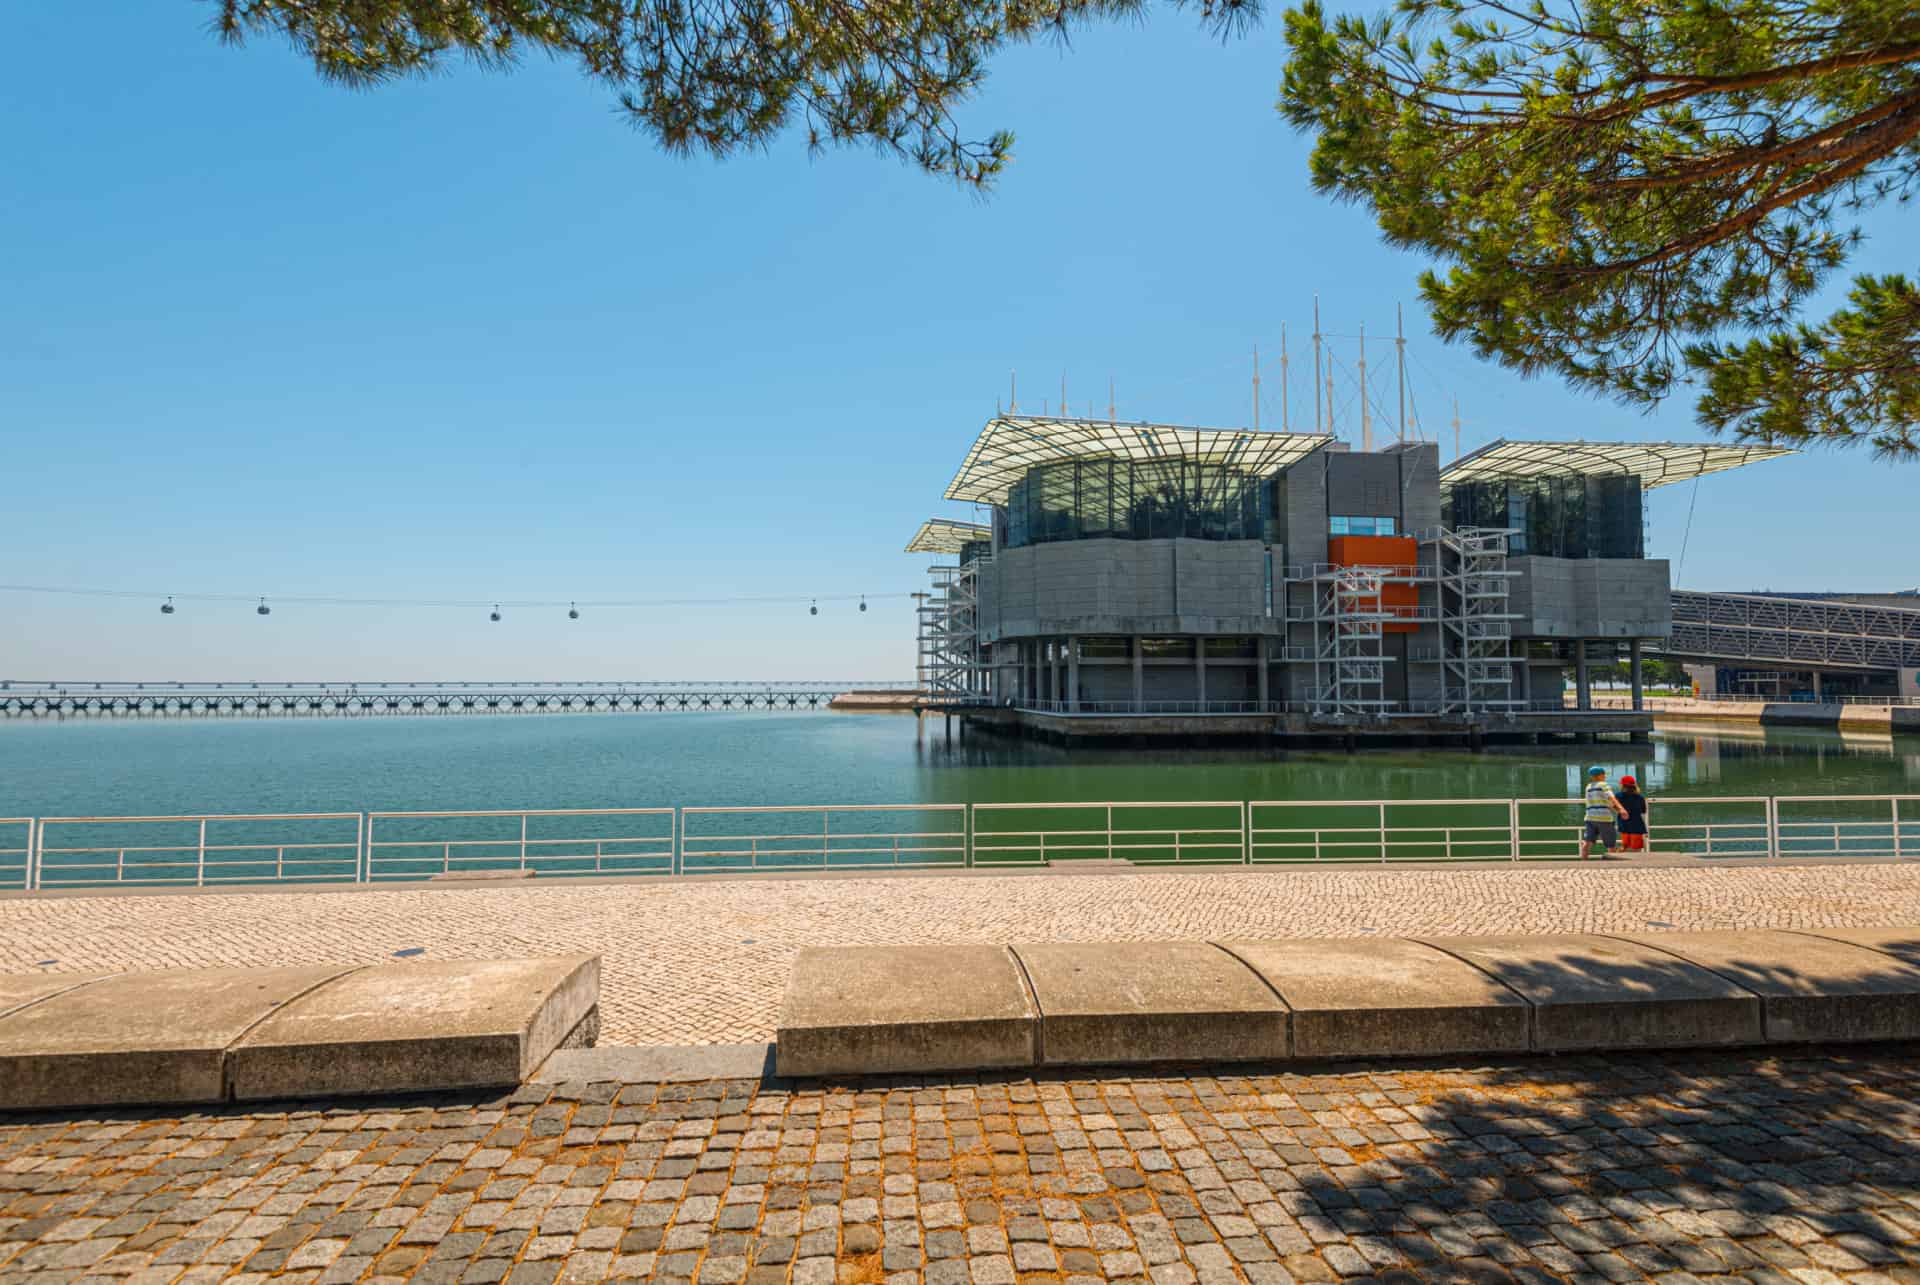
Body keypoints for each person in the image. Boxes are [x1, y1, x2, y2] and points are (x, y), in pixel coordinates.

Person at [1579, 766, 1626, 860]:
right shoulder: (1603, 785)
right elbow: (1611, 798)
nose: (1605, 776)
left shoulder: (1588, 787)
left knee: (1587, 842)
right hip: (1604, 818)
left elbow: (1603, 801)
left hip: (1590, 818)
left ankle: (1583, 863)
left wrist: (1617, 809)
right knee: (1610, 844)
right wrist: (1621, 809)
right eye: (1604, 774)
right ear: (1600, 775)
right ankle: (1611, 865)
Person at [1616, 774, 1650, 853]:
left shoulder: (1618, 796)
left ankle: (1621, 855)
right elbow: (1643, 811)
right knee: (1636, 849)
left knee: (1625, 846)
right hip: (1637, 826)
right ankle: (1635, 864)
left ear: (1622, 785)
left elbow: (1614, 806)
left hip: (1623, 824)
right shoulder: (1640, 797)